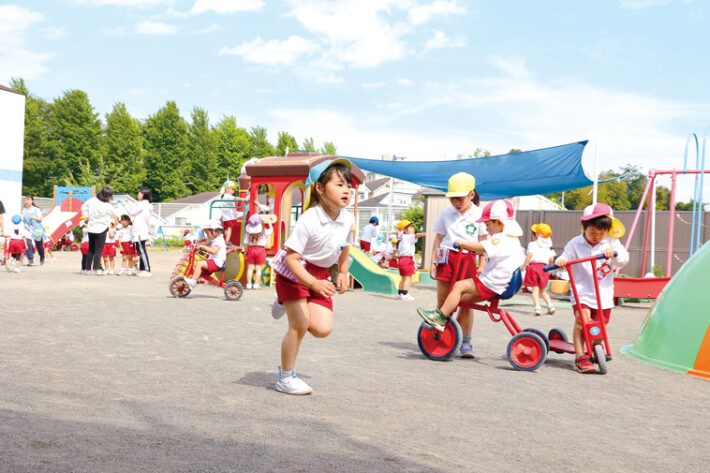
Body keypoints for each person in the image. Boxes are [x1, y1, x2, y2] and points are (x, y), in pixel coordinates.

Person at [272, 159, 354, 395]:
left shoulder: (348, 219)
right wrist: (312, 283)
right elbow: (291, 259)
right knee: (299, 324)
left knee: (322, 329)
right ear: (320, 188)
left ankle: (284, 303)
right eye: (339, 184)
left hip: (320, 275)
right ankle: (286, 377)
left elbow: (346, 246)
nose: (346, 190)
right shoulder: (309, 218)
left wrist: (342, 271)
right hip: (295, 272)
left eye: (348, 185)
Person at [418, 199, 525, 333]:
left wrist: (463, 244)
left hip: (493, 283)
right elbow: (487, 250)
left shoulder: (500, 238)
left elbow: (481, 246)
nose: (486, 228)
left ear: (498, 222)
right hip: (501, 283)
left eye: (487, 224)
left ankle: (439, 317)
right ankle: (459, 336)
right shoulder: (511, 238)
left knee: (459, 286)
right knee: (465, 300)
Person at [554, 203, 629, 374]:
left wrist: (614, 253)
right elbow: (565, 257)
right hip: (582, 291)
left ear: (608, 230)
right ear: (584, 228)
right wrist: (561, 261)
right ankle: (580, 356)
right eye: (592, 232)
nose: (596, 237)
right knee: (582, 321)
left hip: (603, 293)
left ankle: (597, 346)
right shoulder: (576, 243)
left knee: (601, 327)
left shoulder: (611, 242)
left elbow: (623, 259)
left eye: (601, 233)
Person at [428, 172, 488, 358]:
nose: (456, 202)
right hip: (447, 258)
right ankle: (443, 336)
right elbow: (438, 238)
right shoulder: (446, 214)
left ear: (471, 194)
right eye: (453, 198)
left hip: (468, 259)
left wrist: (482, 264)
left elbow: (483, 241)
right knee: (444, 300)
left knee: (466, 303)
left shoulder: (480, 215)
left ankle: (466, 343)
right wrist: (432, 262)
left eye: (460, 198)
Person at [81, 187, 119, 275]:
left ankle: (87, 269)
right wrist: (111, 205)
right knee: (99, 250)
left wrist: (86, 217)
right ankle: (95, 268)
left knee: (91, 249)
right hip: (102, 228)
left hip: (91, 227)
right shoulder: (107, 205)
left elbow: (83, 207)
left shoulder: (92, 200)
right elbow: (115, 214)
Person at [522, 223, 556, 316]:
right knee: (543, 290)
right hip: (544, 268)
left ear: (536, 235)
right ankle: (550, 305)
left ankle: (537, 307)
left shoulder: (532, 244)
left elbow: (530, 255)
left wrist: (525, 264)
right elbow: (551, 259)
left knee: (535, 290)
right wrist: (549, 267)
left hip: (533, 267)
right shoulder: (549, 246)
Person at [181, 220, 226, 289]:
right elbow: (206, 244)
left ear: (214, 232)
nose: (207, 236)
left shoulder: (219, 241)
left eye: (208, 233)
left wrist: (203, 247)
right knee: (200, 267)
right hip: (213, 261)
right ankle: (193, 279)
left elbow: (213, 251)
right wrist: (196, 245)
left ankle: (192, 282)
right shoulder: (215, 240)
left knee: (199, 264)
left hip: (217, 263)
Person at [394, 220, 426, 301]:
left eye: (412, 227)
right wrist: (422, 234)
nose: (413, 229)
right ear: (404, 230)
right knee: (408, 278)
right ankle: (405, 294)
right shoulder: (408, 236)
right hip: (407, 259)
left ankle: (399, 293)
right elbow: (416, 235)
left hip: (401, 259)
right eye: (410, 227)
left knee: (403, 278)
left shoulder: (401, 237)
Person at [125, 186, 153, 277]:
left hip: (140, 230)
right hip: (141, 230)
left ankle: (147, 269)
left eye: (140, 193)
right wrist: (149, 230)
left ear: (144, 194)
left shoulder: (143, 204)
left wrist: (126, 205)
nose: (138, 194)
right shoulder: (146, 204)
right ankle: (142, 269)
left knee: (141, 250)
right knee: (140, 250)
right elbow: (147, 219)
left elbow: (132, 212)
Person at [244, 214, 273, 289]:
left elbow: (245, 243)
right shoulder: (263, 231)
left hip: (251, 249)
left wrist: (245, 251)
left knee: (250, 269)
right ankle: (256, 284)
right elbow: (270, 231)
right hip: (260, 250)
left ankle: (249, 284)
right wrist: (269, 223)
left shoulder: (248, 233)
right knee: (258, 268)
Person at [22, 195, 45, 266]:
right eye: (26, 200)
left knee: (39, 245)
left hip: (37, 229)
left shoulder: (36, 209)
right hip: (28, 229)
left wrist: (33, 217)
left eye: (29, 200)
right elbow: (23, 220)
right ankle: (30, 259)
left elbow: (40, 219)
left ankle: (42, 256)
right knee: (28, 244)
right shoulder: (24, 210)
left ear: (32, 201)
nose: (27, 201)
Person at [218, 180, 240, 245]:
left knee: (226, 229)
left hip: (226, 216)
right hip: (228, 216)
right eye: (232, 189)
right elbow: (235, 198)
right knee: (229, 228)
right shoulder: (227, 195)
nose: (233, 191)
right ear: (227, 189)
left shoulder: (225, 196)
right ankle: (227, 241)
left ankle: (225, 240)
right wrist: (243, 199)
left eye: (234, 189)